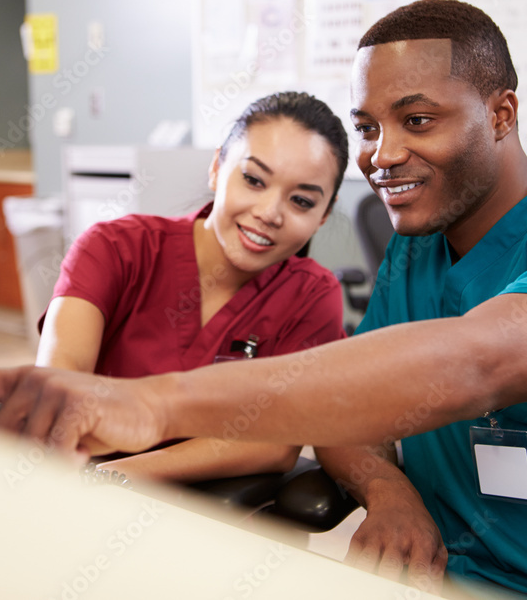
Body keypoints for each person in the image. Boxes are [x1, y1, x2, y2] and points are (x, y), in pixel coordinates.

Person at [0, 0, 527, 599]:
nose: (382, 156)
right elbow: (354, 398)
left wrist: (157, 402)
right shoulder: (418, 245)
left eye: (417, 121)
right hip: (449, 571)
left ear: (502, 115)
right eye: (369, 127)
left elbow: (476, 363)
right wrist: (390, 490)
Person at [35, 91, 349, 484]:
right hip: (74, 490)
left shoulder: (312, 297)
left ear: (324, 215)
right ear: (217, 167)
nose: (269, 213)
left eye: (301, 201)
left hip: (216, 521)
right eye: (253, 180)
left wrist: (115, 479)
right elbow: (58, 387)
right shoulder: (115, 249)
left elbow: (275, 443)